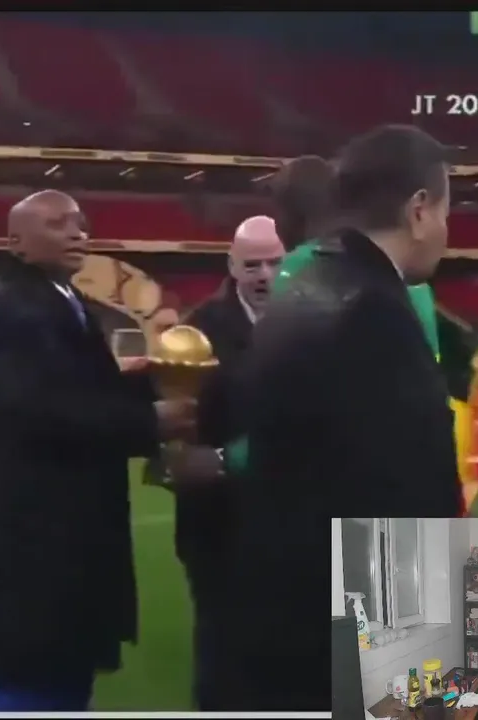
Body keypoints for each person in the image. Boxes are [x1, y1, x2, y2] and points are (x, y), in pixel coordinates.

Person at [227, 125, 459, 710]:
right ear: (419, 210)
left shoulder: (307, 281)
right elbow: (408, 500)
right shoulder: (375, 310)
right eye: (446, 210)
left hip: (290, 603)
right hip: (358, 621)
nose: (446, 229)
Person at [0, 189, 195, 712]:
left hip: (55, 534)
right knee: (30, 674)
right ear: (16, 242)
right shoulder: (8, 308)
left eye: (80, 222)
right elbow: (41, 411)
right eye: (58, 223)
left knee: (58, 670)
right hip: (30, 539)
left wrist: (149, 382)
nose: (78, 232)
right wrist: (150, 420)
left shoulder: (54, 298)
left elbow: (76, 390)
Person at [159, 215, 285, 710]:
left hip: (292, 523)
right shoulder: (197, 332)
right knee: (222, 659)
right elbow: (177, 431)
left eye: (275, 263)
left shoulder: (316, 321)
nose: (265, 275)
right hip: (218, 526)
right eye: (252, 265)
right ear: (231, 266)